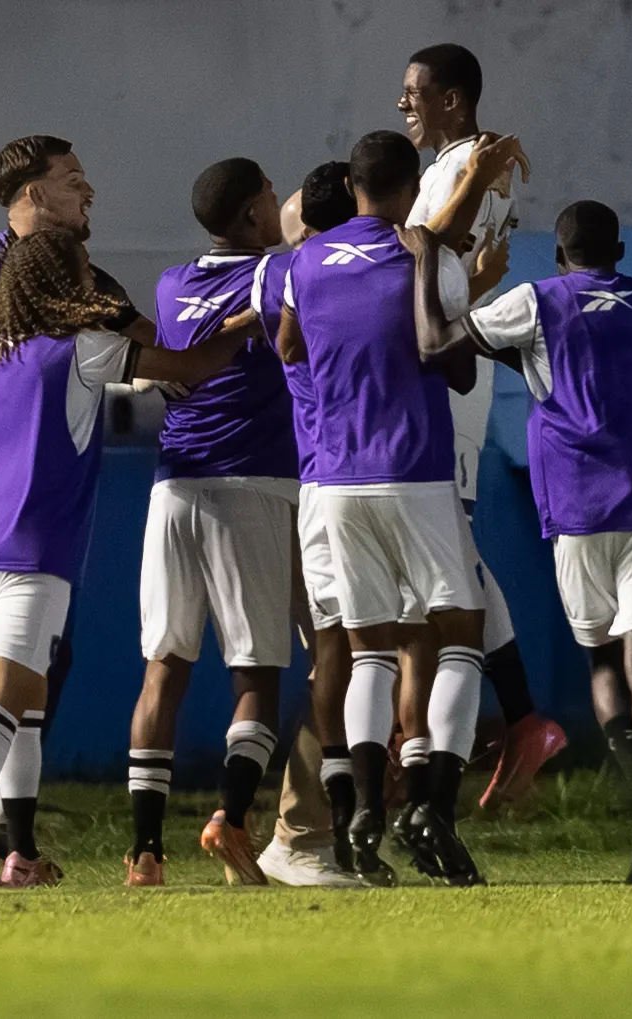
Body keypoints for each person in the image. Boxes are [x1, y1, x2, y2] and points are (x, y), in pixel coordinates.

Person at [0, 228, 259, 891]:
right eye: (80, 271)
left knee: (29, 696)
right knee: (7, 690)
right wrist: (245, 323)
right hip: (35, 546)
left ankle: (18, 851)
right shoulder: (80, 349)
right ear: (61, 283)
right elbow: (185, 371)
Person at [407, 200, 632, 884]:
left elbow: (439, 344)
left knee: (599, 660)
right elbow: (585, 356)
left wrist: (424, 262)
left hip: (576, 501)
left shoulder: (538, 300)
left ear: (559, 257)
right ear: (619, 250)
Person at [277, 130, 511, 887]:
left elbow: (289, 347)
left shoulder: (301, 262)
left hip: (336, 477)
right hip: (412, 466)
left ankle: (366, 809)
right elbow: (455, 360)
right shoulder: (424, 258)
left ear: (350, 187)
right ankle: (432, 802)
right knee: (460, 636)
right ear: (412, 186)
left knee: (368, 649)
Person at [0, 135, 153, 862]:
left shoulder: (81, 275)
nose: (89, 194)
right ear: (30, 195)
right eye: (74, 180)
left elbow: (138, 333)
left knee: (47, 659)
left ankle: (8, 829)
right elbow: (71, 332)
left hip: (38, 478)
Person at [399, 44, 567, 809]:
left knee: (451, 556)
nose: (405, 106)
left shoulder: (462, 166)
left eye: (416, 94)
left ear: (455, 102)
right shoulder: (474, 163)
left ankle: (507, 718)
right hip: (451, 361)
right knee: (443, 561)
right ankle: (503, 720)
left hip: (446, 375)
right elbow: (451, 269)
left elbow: (416, 251)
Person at [125, 158, 298, 888]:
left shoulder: (171, 284)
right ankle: (230, 816)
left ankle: (143, 853)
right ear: (256, 214)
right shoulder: (276, 276)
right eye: (268, 193)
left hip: (172, 487)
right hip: (249, 484)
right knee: (256, 673)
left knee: (163, 670)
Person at [250, 164, 364, 887]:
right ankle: (300, 833)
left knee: (356, 661)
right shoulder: (295, 276)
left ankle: (326, 828)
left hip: (339, 484)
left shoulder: (300, 275)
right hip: (324, 489)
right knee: (341, 660)